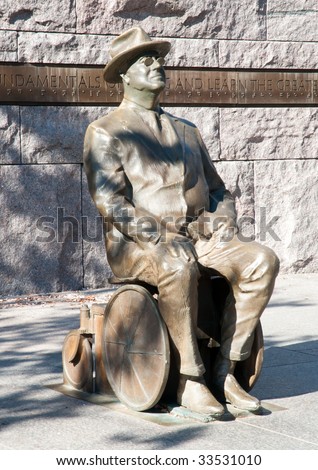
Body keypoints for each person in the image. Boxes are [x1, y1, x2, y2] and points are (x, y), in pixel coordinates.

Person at [83, 27, 280, 417]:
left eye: (159, 58)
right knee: (178, 261)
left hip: (199, 235)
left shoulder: (187, 131)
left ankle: (226, 368)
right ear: (124, 74)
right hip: (140, 244)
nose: (158, 65)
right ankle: (190, 379)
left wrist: (222, 220)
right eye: (146, 60)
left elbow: (219, 190)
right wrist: (156, 234)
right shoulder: (105, 131)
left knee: (262, 259)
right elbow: (110, 200)